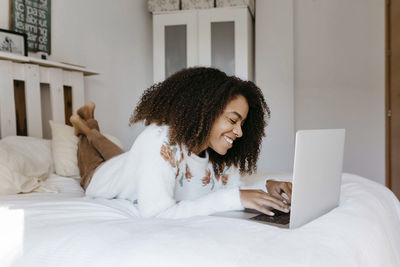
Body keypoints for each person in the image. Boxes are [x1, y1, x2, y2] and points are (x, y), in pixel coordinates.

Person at [70, 67, 292, 219]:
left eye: (242, 123)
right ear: (204, 112)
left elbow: (233, 191)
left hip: (128, 164)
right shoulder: (156, 140)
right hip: (100, 177)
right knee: (94, 158)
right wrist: (233, 199)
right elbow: (157, 214)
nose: (240, 132)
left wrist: (268, 187)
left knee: (122, 156)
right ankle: (85, 129)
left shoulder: (219, 153)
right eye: (233, 120)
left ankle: (89, 126)